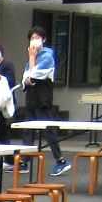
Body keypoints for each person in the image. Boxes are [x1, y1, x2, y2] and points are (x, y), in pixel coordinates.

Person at [23, 28, 72, 177]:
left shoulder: (47, 55)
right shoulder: (33, 57)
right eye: (32, 38)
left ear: (43, 39)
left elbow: (35, 74)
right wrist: (28, 77)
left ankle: (61, 160)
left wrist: (31, 60)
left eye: (37, 37)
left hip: (43, 98)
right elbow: (26, 77)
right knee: (27, 128)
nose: (34, 40)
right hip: (31, 98)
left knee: (48, 130)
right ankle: (24, 160)